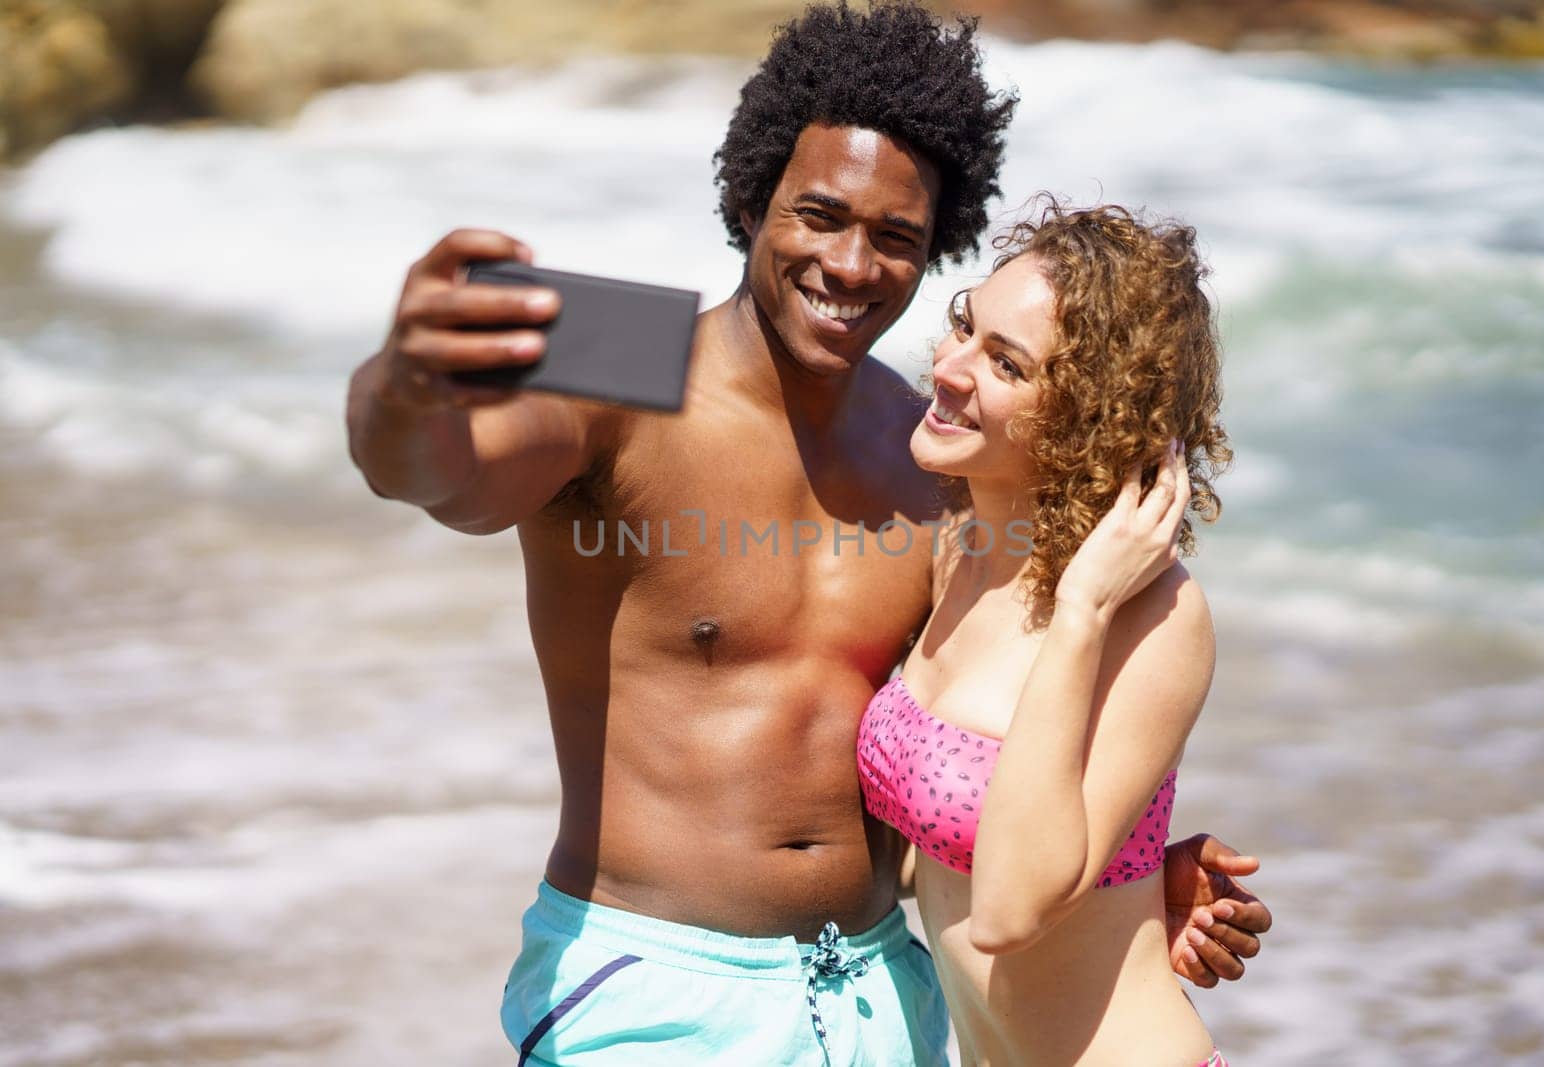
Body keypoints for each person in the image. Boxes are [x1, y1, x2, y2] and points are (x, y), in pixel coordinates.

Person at [345, 4, 1269, 1063]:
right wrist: (402, 388)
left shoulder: (933, 451)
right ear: (749, 197)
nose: (849, 263)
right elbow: (437, 475)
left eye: (895, 239)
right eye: (818, 215)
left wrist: (1124, 879)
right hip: (651, 985)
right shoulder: (622, 349)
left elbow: (984, 734)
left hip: (883, 988)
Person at [857, 200, 1235, 1066]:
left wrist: (1083, 611)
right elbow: (934, 860)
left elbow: (1008, 912)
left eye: (1004, 362)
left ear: (1084, 421)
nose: (947, 368)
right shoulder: (956, 547)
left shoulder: (1154, 619)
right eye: (964, 327)